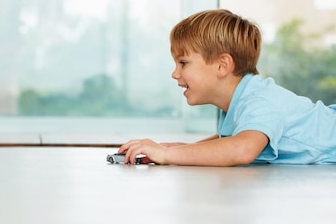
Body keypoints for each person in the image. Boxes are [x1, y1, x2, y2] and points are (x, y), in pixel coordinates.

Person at [118, 9, 336, 166]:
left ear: (222, 65)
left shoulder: (260, 101)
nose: (175, 73)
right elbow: (229, 141)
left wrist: (166, 155)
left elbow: (242, 149)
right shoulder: (241, 102)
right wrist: (175, 149)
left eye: (183, 63)